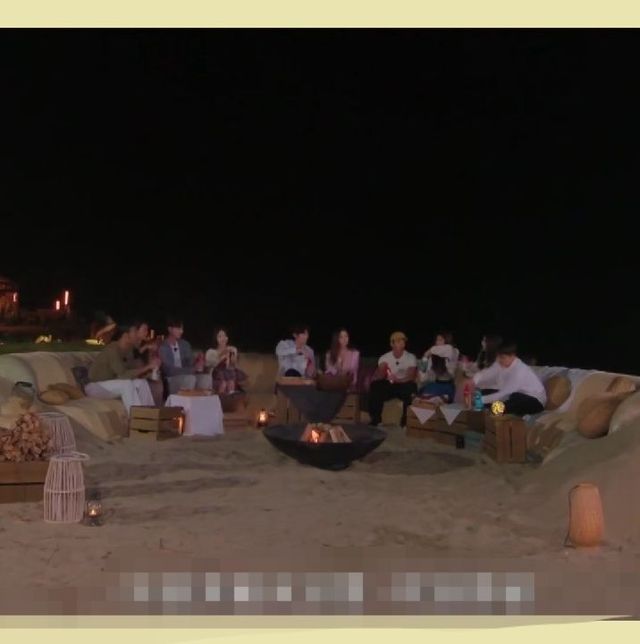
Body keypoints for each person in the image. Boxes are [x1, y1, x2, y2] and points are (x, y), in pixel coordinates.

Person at [85, 323, 158, 414]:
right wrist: (147, 367)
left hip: (113, 384)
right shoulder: (112, 349)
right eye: (135, 332)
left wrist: (150, 367)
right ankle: (137, 417)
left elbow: (133, 370)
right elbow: (123, 375)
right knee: (127, 384)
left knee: (141, 383)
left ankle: (151, 416)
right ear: (125, 336)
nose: (137, 335)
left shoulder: (128, 350)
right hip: (96, 387)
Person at [472, 341, 546, 416]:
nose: (499, 360)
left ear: (512, 356)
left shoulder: (519, 370)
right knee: (483, 392)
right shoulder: (501, 363)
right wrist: (473, 381)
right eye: (498, 357)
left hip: (535, 400)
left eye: (502, 357)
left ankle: (493, 410)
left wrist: (482, 400)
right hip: (514, 394)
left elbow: (504, 393)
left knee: (513, 399)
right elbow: (486, 373)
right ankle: (488, 407)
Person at [368, 331, 417, 428]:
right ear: (392, 344)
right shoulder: (385, 357)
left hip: (404, 384)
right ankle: (376, 419)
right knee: (375, 386)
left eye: (403, 341)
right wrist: (381, 370)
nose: (402, 343)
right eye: (398, 341)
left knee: (411, 387)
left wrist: (398, 380)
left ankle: (405, 421)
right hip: (390, 384)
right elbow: (380, 376)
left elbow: (411, 376)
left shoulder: (410, 357)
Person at [158, 318, 212, 394]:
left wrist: (197, 360)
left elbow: (190, 363)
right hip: (171, 379)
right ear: (170, 329)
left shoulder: (185, 344)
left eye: (182, 329)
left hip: (187, 375)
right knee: (190, 379)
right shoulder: (163, 347)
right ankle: (185, 401)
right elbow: (169, 371)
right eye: (178, 329)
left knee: (206, 378)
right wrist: (193, 369)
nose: (181, 331)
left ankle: (201, 401)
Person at [417, 332, 458, 402]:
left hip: (448, 386)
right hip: (436, 384)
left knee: (439, 400)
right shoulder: (433, 356)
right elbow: (423, 375)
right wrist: (425, 357)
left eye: (440, 340)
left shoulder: (454, 351)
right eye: (436, 340)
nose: (437, 342)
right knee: (424, 400)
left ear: (447, 341)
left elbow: (447, 349)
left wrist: (428, 352)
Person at [205, 327, 248, 395]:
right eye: (220, 336)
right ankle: (220, 398)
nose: (223, 338)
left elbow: (234, 367)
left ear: (227, 338)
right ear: (215, 339)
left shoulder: (232, 349)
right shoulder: (211, 352)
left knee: (231, 382)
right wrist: (222, 354)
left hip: (229, 377)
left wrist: (233, 359)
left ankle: (231, 396)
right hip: (215, 378)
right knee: (224, 383)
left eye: (224, 336)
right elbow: (212, 365)